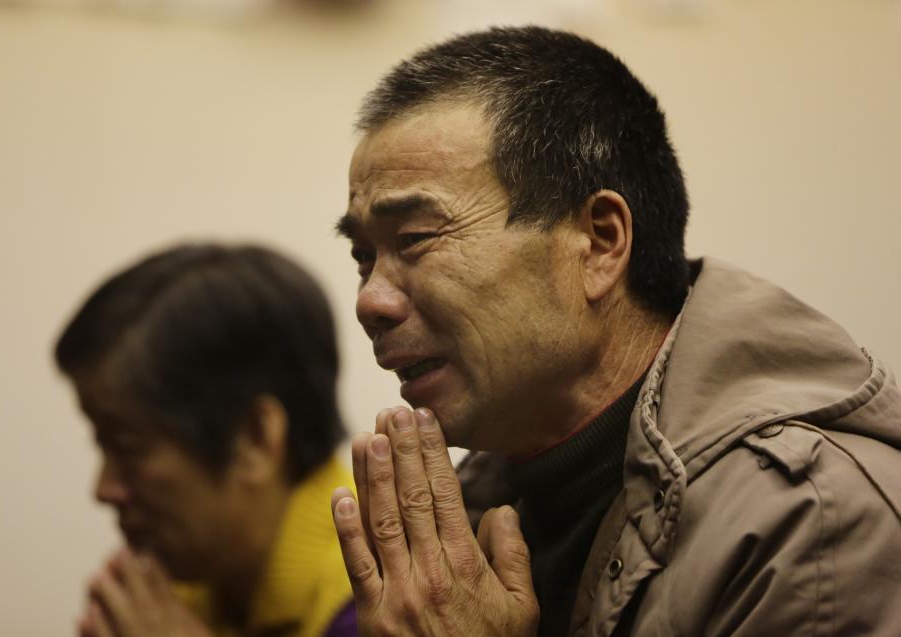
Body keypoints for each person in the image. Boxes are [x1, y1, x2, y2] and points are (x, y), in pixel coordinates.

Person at [330, 25, 901, 636]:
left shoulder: (805, 521)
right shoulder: (476, 510)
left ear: (599, 243)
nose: (371, 301)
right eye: (364, 257)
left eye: (414, 240)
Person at [55, 243, 357, 637]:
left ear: (255, 439)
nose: (103, 490)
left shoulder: (384, 602)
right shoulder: (185, 585)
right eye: (101, 446)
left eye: (128, 447)